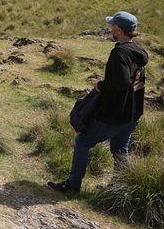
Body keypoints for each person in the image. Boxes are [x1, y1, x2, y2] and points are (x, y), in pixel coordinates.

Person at [48, 11, 148, 194]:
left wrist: (100, 84)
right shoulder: (139, 52)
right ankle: (122, 189)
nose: (110, 28)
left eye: (112, 26)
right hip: (132, 115)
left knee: (83, 142)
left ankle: (73, 184)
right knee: (120, 150)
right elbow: (130, 81)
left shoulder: (119, 53)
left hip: (114, 115)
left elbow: (121, 82)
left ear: (118, 29)